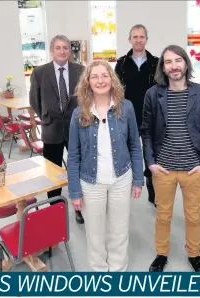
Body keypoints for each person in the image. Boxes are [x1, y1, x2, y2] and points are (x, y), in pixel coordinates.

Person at [141, 45, 200, 272]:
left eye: (178, 60)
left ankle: (194, 255)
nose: (173, 66)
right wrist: (151, 164)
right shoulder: (153, 95)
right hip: (163, 169)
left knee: (193, 216)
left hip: (193, 169)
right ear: (163, 68)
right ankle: (161, 254)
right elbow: (145, 131)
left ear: (186, 63)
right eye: (168, 62)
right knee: (163, 216)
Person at [67, 60, 144, 272]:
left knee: (119, 230)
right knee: (95, 233)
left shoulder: (126, 108)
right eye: (94, 76)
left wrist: (138, 179)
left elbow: (134, 146)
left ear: (112, 79)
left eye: (104, 75)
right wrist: (75, 191)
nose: (100, 80)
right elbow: (73, 155)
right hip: (91, 182)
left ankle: (118, 271)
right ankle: (99, 273)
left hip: (121, 178)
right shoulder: (78, 113)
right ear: (87, 82)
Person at [29, 35, 85, 224]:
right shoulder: (39, 72)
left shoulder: (80, 70)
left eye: (66, 48)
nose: (62, 51)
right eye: (58, 48)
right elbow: (34, 100)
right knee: (52, 172)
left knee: (77, 168)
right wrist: (45, 115)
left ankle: (79, 207)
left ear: (70, 50)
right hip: (51, 129)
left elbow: (86, 97)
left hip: (76, 128)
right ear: (52, 50)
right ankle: (55, 209)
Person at [115, 24, 159, 207]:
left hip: (151, 115)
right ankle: (125, 186)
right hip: (128, 116)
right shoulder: (122, 63)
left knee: (151, 152)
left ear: (146, 39)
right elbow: (115, 90)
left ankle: (152, 187)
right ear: (130, 40)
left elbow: (162, 90)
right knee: (125, 152)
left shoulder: (157, 62)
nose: (138, 40)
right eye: (135, 37)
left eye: (142, 37)